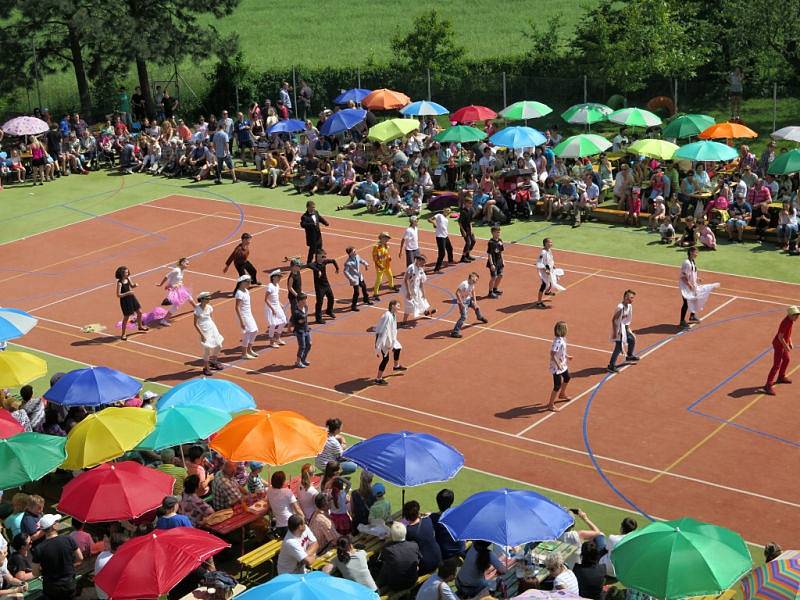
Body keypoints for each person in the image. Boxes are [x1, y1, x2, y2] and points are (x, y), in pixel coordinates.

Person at [31, 514, 83, 599]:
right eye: (56, 521)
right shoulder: (68, 539)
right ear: (53, 526)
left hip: (51, 588)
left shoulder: (39, 549)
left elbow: (35, 572)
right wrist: (70, 566)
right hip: (69, 584)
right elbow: (80, 558)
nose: (58, 522)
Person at [762, 306, 800, 395]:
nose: (797, 317)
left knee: (786, 360)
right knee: (776, 365)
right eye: (796, 315)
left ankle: (781, 377)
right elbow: (780, 337)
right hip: (779, 345)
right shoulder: (785, 323)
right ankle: (768, 385)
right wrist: (786, 346)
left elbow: (788, 334)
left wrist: (790, 342)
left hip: (783, 344)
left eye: (798, 315)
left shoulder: (790, 321)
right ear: (790, 315)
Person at [678, 247, 718, 329]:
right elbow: (684, 277)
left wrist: (697, 278)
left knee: (695, 299)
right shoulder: (687, 263)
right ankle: (682, 321)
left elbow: (692, 273)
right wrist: (689, 285)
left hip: (692, 285)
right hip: (686, 287)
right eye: (696, 252)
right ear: (691, 252)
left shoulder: (692, 261)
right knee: (686, 303)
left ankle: (692, 316)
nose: (697, 254)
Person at [376, 522, 421, 592]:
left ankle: (377, 585)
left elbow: (381, 560)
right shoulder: (414, 545)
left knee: (385, 566)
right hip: (412, 580)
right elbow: (418, 559)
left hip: (396, 585)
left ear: (391, 535)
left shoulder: (388, 548)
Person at [403, 501, 441, 575]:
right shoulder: (428, 520)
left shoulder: (409, 531)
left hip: (425, 565)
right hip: (438, 558)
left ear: (406, 517)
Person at [374, 300, 406, 385]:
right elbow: (381, 330)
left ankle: (396, 366)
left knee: (398, 348)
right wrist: (378, 344)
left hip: (391, 339)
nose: (399, 307)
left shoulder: (393, 315)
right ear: (392, 306)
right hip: (384, 341)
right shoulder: (387, 316)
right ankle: (378, 379)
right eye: (398, 306)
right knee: (385, 359)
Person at [608, 290, 639, 373]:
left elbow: (627, 320)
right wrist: (615, 332)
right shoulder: (620, 308)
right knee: (618, 347)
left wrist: (628, 329)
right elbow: (614, 320)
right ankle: (611, 365)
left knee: (631, 339)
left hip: (624, 328)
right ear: (626, 297)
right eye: (631, 298)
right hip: (618, 330)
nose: (633, 300)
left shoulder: (629, 306)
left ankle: (629, 356)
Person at [155, 257, 193, 326]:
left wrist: (179, 283)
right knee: (176, 306)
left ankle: (196, 307)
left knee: (188, 296)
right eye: (187, 264)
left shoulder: (182, 270)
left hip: (180, 288)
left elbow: (177, 279)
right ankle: (164, 320)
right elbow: (167, 276)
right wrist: (161, 284)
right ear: (182, 263)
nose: (188, 265)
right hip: (174, 290)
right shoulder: (176, 270)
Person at [193, 292, 224, 376]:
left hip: (212, 328)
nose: (209, 299)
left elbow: (211, 318)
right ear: (202, 299)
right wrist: (202, 335)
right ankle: (206, 367)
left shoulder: (209, 307)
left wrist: (214, 328)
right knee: (207, 349)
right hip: (204, 330)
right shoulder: (197, 309)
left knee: (219, 345)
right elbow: (195, 324)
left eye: (209, 298)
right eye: (207, 298)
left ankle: (213, 361)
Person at [429, 489, 465, 560]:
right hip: (460, 550)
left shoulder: (433, 518)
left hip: (445, 555)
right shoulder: (459, 513)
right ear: (451, 502)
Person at [400, 254, 436, 326]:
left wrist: (423, 293)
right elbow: (406, 280)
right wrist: (409, 292)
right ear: (419, 261)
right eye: (423, 262)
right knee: (409, 304)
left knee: (421, 300)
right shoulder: (411, 268)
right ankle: (404, 322)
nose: (424, 264)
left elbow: (421, 283)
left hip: (416, 289)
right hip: (408, 289)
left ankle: (426, 312)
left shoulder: (421, 269)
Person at [115, 266, 148, 341]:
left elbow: (131, 286)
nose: (128, 273)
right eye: (126, 272)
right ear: (122, 274)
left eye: (127, 272)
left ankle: (140, 326)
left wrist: (135, 285)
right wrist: (128, 293)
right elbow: (118, 295)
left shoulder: (128, 278)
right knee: (126, 317)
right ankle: (123, 334)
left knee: (139, 312)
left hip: (132, 298)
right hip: (125, 301)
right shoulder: (119, 283)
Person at [546, 321, 572, 412]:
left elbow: (562, 351)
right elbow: (552, 354)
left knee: (567, 377)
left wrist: (567, 356)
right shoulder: (558, 341)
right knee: (557, 385)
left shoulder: (562, 339)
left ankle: (562, 394)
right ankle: (550, 405)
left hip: (562, 364)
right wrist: (558, 365)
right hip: (556, 367)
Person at [451, 272, 488, 338]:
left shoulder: (472, 284)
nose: (476, 281)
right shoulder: (464, 284)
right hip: (462, 302)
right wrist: (461, 304)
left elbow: (473, 292)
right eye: (476, 279)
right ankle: (455, 332)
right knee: (464, 317)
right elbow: (457, 293)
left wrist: (475, 302)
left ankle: (479, 317)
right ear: (471, 278)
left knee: (477, 308)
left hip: (468, 300)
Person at [267, 471, 303, 537]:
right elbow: (297, 509)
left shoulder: (269, 490)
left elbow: (269, 505)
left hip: (279, 527)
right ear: (282, 482)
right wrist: (304, 518)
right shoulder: (287, 492)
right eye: (284, 480)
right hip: (291, 525)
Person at [308, 249, 339, 324]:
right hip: (319, 287)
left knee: (331, 298)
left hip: (326, 284)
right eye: (323, 256)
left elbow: (333, 260)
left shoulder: (324, 262)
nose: (324, 258)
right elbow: (309, 265)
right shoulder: (314, 264)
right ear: (318, 257)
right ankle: (318, 318)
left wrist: (337, 268)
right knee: (319, 302)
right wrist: (317, 270)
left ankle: (329, 311)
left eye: (325, 256)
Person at [234, 275, 259, 360]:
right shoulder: (239, 293)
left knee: (255, 330)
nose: (249, 283)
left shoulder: (246, 291)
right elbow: (237, 307)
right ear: (242, 283)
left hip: (249, 314)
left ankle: (249, 349)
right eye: (248, 282)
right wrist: (241, 321)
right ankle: (244, 353)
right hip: (244, 315)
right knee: (247, 333)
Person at [94, 533, 126, 600]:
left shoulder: (102, 554)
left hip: (100, 593)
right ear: (119, 547)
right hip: (108, 597)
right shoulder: (116, 562)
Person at [535, 238, 564, 308]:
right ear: (545, 243)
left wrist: (553, 265)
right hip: (544, 272)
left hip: (550, 270)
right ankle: (539, 302)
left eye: (551, 242)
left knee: (552, 281)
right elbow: (539, 262)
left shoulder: (549, 250)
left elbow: (550, 259)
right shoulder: (543, 252)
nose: (551, 244)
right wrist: (545, 270)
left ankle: (547, 291)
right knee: (544, 285)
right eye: (549, 242)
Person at [264, 270, 288, 348]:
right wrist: (272, 309)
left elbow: (276, 298)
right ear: (273, 277)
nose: (279, 278)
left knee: (284, 321)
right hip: (270, 307)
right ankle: (271, 342)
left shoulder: (277, 285)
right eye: (278, 277)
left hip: (277, 306)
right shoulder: (270, 286)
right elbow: (266, 299)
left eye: (280, 277)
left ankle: (277, 338)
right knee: (273, 324)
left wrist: (281, 304)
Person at [344, 247, 373, 311]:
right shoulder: (348, 263)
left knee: (364, 287)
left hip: (359, 276)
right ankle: (353, 306)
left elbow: (361, 260)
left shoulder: (357, 256)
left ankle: (366, 299)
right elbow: (345, 272)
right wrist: (351, 278)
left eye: (355, 251)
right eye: (354, 251)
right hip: (354, 279)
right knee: (356, 292)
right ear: (350, 254)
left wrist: (366, 264)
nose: (355, 252)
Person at [428, 208, 455, 273]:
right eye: (447, 210)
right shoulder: (439, 215)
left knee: (450, 248)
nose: (448, 212)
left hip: (445, 236)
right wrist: (433, 222)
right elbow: (429, 219)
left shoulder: (446, 219)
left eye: (449, 211)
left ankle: (450, 260)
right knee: (442, 253)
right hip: (440, 237)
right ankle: (436, 269)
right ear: (444, 210)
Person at [372, 232, 397, 301]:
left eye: (388, 239)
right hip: (380, 266)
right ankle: (375, 294)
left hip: (386, 265)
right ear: (382, 238)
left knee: (390, 276)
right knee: (379, 280)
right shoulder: (376, 247)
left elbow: (386, 253)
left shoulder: (385, 245)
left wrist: (389, 257)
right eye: (386, 238)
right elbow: (375, 258)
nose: (387, 240)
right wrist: (380, 265)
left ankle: (391, 286)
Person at [292, 293, 312, 368]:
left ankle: (303, 359)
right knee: (302, 346)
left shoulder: (303, 308)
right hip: (300, 331)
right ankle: (298, 362)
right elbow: (301, 320)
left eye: (305, 300)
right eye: (303, 301)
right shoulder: (297, 312)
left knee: (309, 344)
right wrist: (307, 312)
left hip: (306, 330)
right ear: (299, 302)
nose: (305, 302)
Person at [485, 226, 504, 299]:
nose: (498, 233)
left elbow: (501, 252)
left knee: (501, 275)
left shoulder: (500, 241)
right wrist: (492, 264)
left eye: (499, 232)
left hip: (499, 261)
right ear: (492, 233)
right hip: (493, 262)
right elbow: (489, 254)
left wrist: (503, 260)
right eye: (497, 232)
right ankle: (490, 292)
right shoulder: (491, 242)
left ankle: (495, 289)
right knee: (493, 277)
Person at [459, 196, 476, 262]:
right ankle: (463, 257)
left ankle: (468, 254)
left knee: (473, 241)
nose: (471, 204)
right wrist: (463, 231)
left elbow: (470, 221)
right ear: (465, 203)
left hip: (469, 228)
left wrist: (471, 229)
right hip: (464, 229)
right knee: (468, 243)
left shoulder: (471, 210)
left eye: (471, 203)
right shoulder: (463, 211)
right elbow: (459, 222)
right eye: (469, 203)